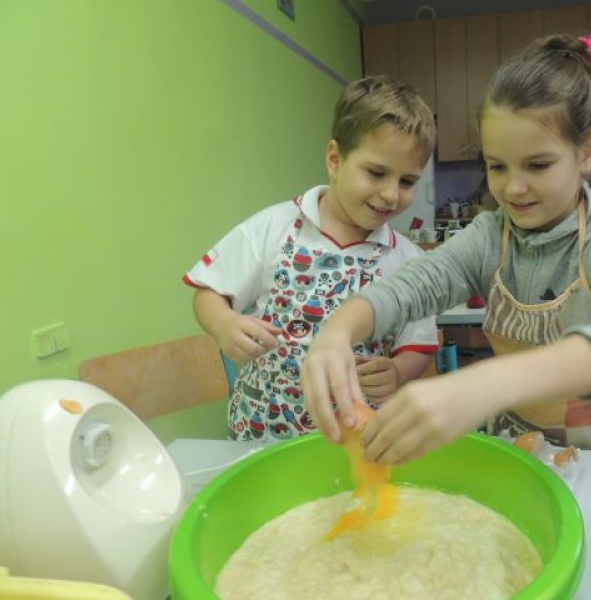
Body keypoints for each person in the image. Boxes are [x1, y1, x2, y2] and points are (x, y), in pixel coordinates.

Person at [301, 35, 591, 511]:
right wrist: (338, 330)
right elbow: (412, 287)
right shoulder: (489, 236)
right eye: (497, 166)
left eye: (537, 165)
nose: (513, 188)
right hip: (514, 446)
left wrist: (486, 385)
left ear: (587, 151)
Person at [183, 75, 440, 442]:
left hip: (356, 439)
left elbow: (419, 342)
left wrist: (399, 371)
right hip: (264, 433)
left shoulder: (406, 259)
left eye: (407, 182)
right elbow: (209, 291)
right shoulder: (273, 228)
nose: (390, 194)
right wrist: (223, 323)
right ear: (335, 160)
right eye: (376, 173)